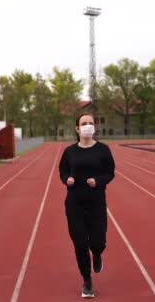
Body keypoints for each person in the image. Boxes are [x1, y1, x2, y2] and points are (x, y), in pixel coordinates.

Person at [59, 113, 115, 298]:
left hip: (96, 203)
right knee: (80, 244)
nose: (88, 126)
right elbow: (63, 171)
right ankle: (87, 281)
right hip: (75, 204)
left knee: (98, 242)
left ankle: (97, 253)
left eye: (91, 123)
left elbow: (110, 173)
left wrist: (98, 181)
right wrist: (67, 179)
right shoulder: (69, 152)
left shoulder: (103, 150)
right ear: (77, 129)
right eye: (84, 124)